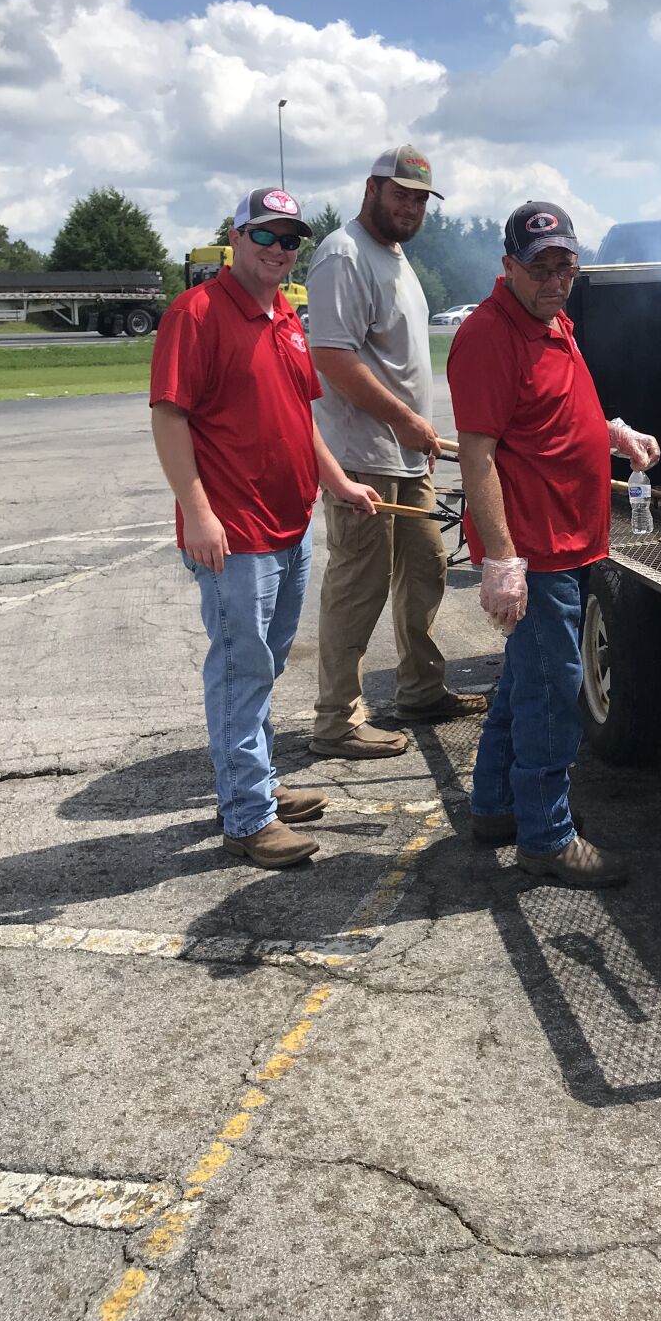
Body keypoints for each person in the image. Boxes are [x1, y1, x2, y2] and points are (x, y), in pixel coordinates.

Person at [151, 187, 381, 869]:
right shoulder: (193, 314)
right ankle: (249, 815)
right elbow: (170, 417)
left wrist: (336, 481)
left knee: (267, 661)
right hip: (234, 531)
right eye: (267, 236)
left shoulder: (285, 312)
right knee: (241, 667)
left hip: (288, 524)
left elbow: (298, 411)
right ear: (236, 236)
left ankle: (257, 783)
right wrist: (197, 511)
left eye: (291, 241)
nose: (280, 251)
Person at [447, 200, 660, 888]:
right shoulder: (487, 335)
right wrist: (502, 560)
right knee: (554, 687)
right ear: (508, 266)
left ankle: (494, 806)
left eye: (564, 264)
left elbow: (555, 415)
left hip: (570, 541)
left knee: (523, 681)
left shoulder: (554, 323)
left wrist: (611, 431)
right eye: (539, 266)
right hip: (534, 551)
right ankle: (546, 835)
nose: (554, 278)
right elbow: (477, 456)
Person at [306, 144, 487, 760]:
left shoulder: (396, 257)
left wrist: (417, 433)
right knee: (359, 586)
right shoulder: (343, 253)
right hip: (363, 457)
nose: (411, 206)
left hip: (408, 455)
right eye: (401, 193)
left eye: (420, 198)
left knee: (428, 568)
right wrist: (407, 419)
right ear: (373, 189)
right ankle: (335, 720)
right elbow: (331, 357)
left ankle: (420, 689)